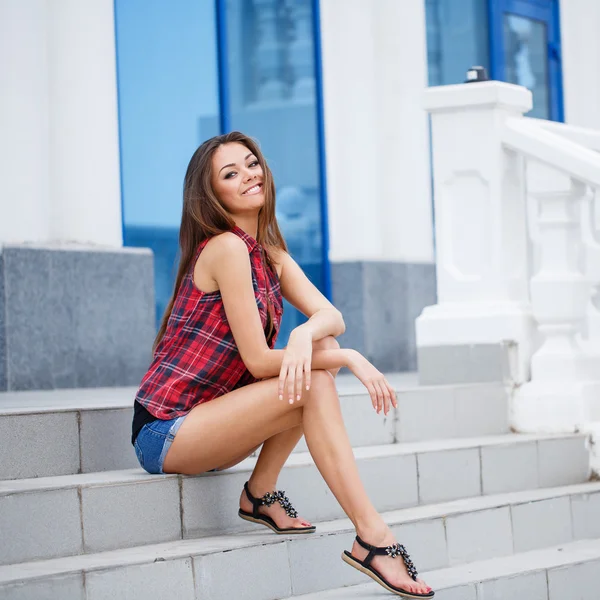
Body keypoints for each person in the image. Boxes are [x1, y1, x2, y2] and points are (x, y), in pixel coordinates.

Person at [131, 132, 434, 599]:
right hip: (166, 431)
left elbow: (332, 316)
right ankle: (373, 537)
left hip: (217, 421)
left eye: (251, 164)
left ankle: (260, 493)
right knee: (315, 375)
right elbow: (256, 361)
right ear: (213, 196)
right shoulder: (226, 248)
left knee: (321, 343)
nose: (249, 175)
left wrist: (303, 334)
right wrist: (349, 358)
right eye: (230, 174)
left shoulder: (270, 254)